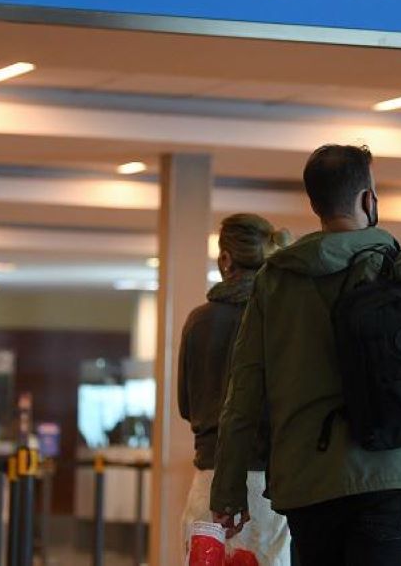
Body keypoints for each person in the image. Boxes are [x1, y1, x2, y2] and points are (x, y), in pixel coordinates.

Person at [210, 144, 401, 566]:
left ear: (314, 202)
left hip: (309, 480)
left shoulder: (275, 282)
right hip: (396, 470)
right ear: (369, 200)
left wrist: (228, 488)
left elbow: (242, 394)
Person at [178, 213, 293, 565]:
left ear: (225, 259)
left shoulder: (200, 320)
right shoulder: (282, 318)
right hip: (268, 484)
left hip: (210, 476)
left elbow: (186, 406)